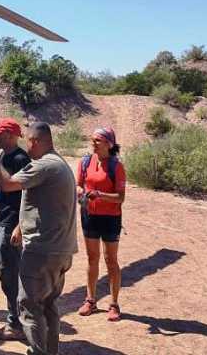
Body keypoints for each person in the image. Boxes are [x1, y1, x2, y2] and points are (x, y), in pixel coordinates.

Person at [0, 122, 78, 355]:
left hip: (43, 251)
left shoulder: (45, 165)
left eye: (30, 142)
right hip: (60, 249)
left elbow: (7, 184)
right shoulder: (58, 163)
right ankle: (50, 351)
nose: (28, 148)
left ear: (38, 141)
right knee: (48, 305)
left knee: (29, 305)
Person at [0, 118, 31, 340]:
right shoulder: (5, 155)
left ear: (11, 135)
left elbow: (22, 191)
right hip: (0, 220)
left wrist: (20, 226)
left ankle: (15, 324)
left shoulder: (21, 159)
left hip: (11, 223)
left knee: (8, 273)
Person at [74, 127, 126, 321]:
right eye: (92, 139)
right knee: (91, 258)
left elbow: (120, 198)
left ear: (108, 144)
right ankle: (90, 300)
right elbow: (79, 184)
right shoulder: (86, 161)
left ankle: (114, 304)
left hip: (110, 218)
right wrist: (80, 192)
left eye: (97, 140)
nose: (93, 143)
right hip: (89, 214)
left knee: (111, 260)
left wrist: (100, 195)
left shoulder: (116, 166)